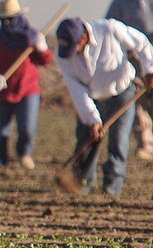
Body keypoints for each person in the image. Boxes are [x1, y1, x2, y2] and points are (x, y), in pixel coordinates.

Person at [55, 17, 153, 196]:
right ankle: (82, 185)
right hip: (91, 98)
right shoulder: (63, 56)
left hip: (122, 92)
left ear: (83, 38)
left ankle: (111, 190)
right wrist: (92, 118)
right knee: (87, 139)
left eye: (74, 47)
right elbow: (76, 89)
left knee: (118, 141)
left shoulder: (109, 29)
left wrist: (149, 70)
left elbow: (141, 44)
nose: (72, 53)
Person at [0, 0, 51, 170]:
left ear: (18, 17)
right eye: (3, 19)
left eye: (10, 19)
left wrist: (43, 49)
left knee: (27, 129)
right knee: (0, 132)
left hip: (27, 91)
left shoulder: (31, 37)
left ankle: (24, 154)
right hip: (1, 93)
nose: (6, 23)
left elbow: (45, 61)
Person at [106, 0, 153, 159]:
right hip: (134, 60)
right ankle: (145, 144)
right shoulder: (120, 1)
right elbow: (110, 27)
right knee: (137, 101)